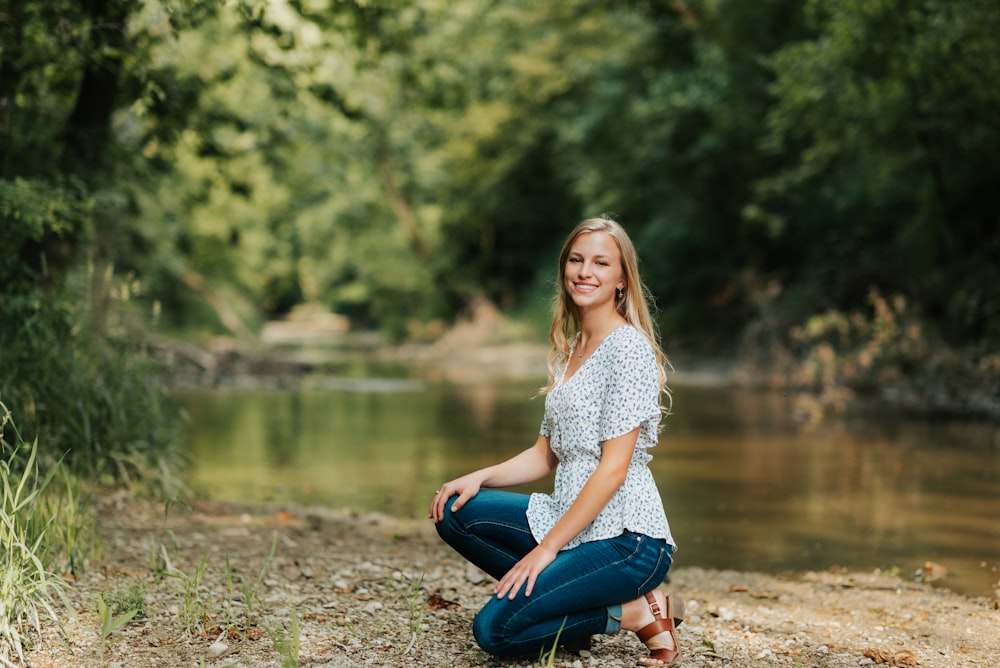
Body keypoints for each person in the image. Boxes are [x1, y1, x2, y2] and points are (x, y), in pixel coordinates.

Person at [429, 216, 684, 666]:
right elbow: (545, 453)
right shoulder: (572, 348)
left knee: (495, 631)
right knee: (453, 510)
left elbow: (613, 468)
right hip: (567, 518)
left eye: (601, 263)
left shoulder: (628, 349)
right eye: (576, 260)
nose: (586, 272)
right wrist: (477, 476)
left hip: (626, 539)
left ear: (622, 278)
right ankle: (565, 603)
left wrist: (545, 552)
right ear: (564, 268)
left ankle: (632, 612)